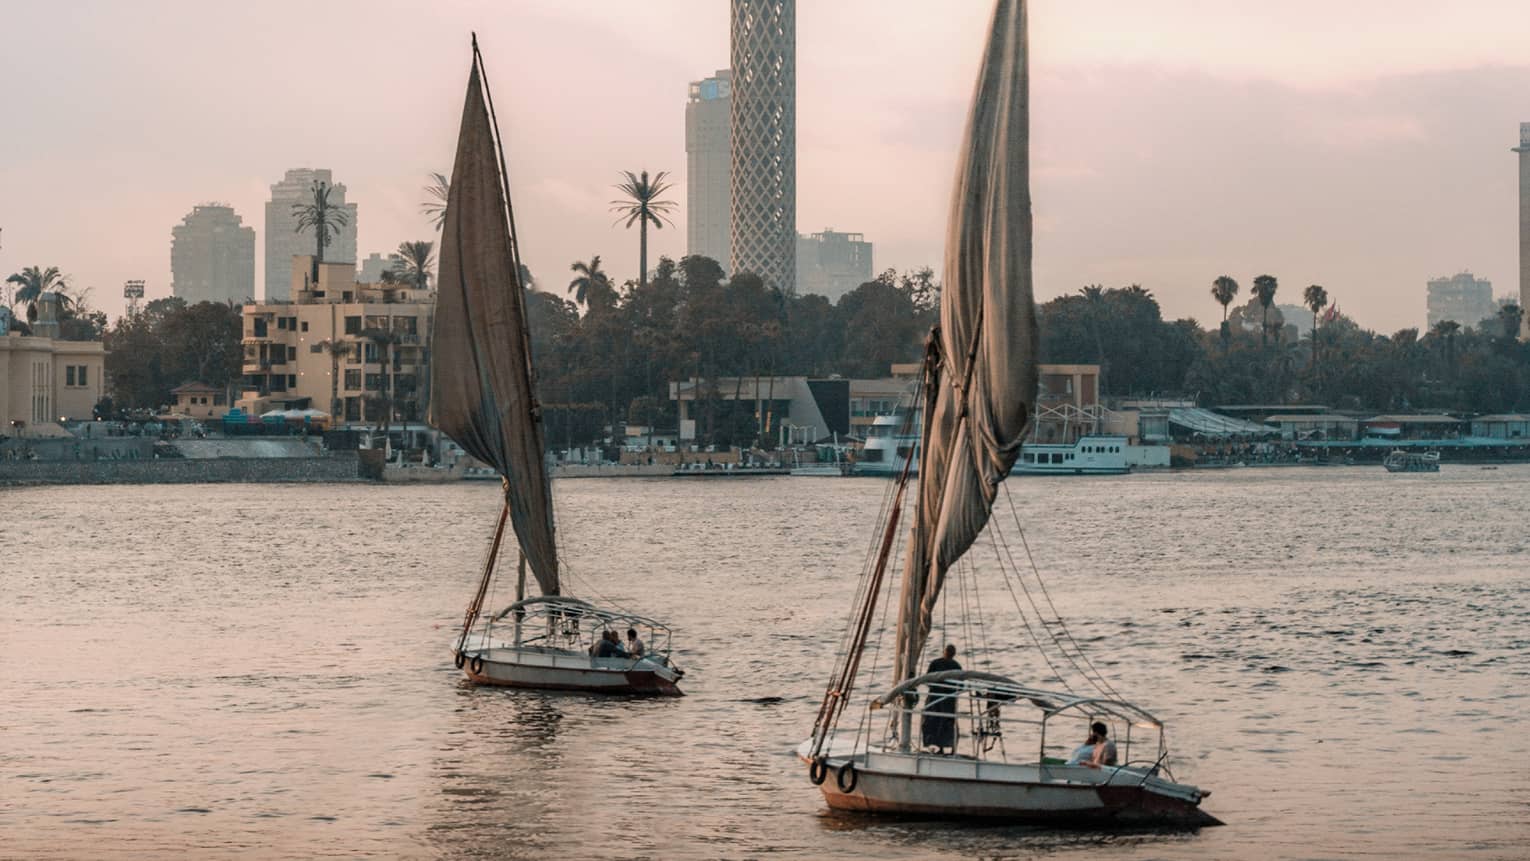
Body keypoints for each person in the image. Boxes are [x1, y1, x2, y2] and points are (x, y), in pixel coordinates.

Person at [920, 644, 962, 753]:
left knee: (942, 721)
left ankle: (947, 748)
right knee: (941, 721)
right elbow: (960, 685)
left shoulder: (945, 664)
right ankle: (944, 748)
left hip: (940, 698)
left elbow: (927, 679)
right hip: (943, 699)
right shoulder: (954, 666)